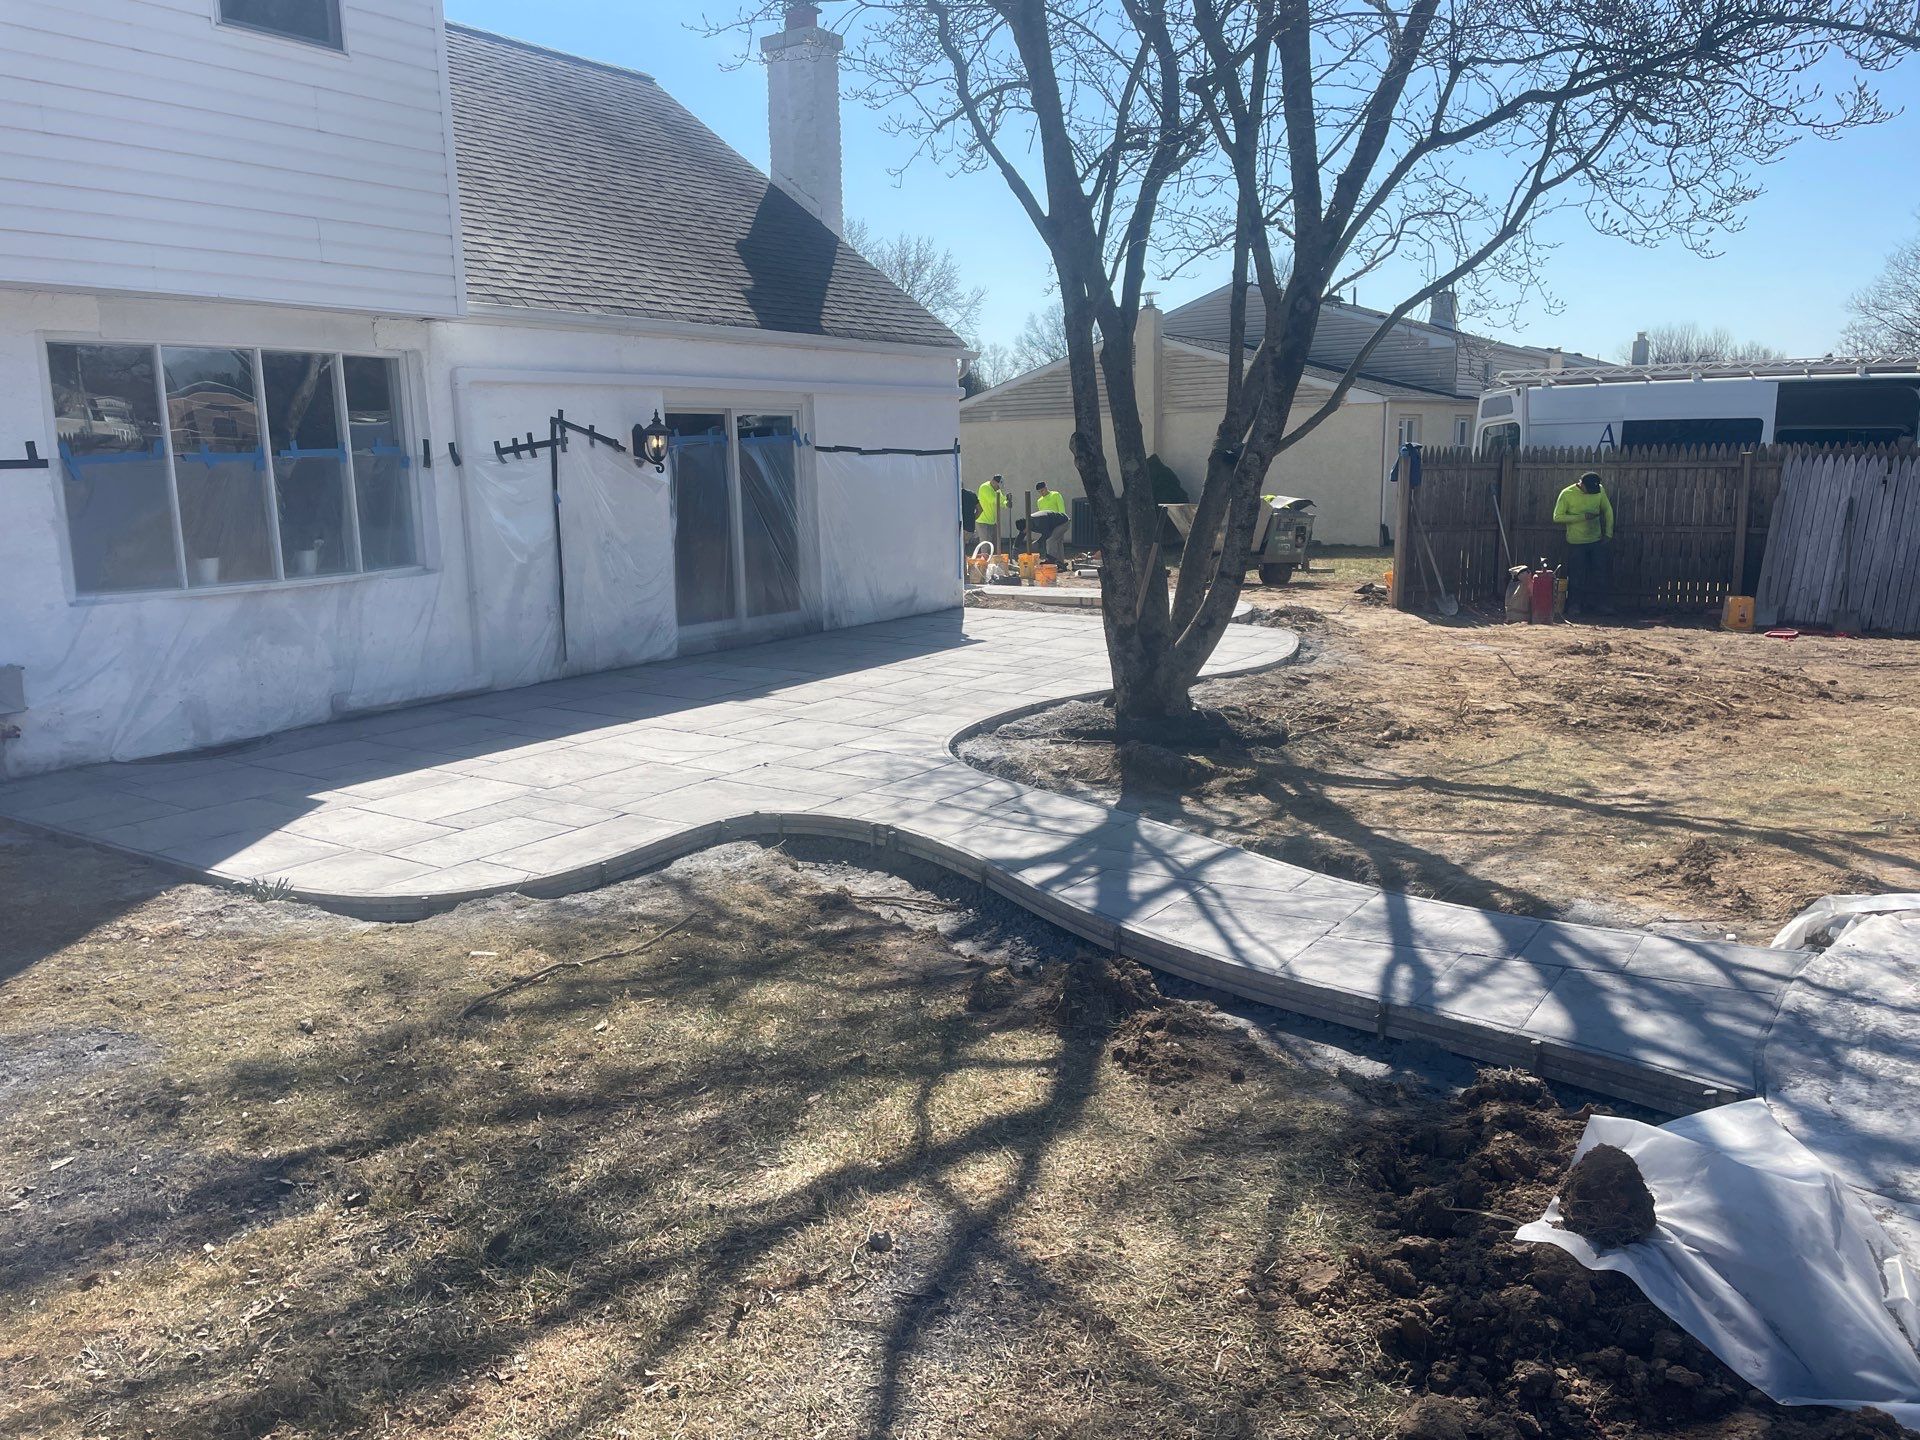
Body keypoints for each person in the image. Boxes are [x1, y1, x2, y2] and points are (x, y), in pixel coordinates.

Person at [1552, 470, 1615, 616]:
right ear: (1582, 485)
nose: (1593, 493)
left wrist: (1608, 533)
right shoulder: (1567, 494)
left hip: (1596, 540)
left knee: (1601, 573)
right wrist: (1582, 517)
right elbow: (1557, 517)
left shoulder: (1599, 490)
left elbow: (1608, 511)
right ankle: (1574, 605)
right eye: (1590, 490)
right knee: (1576, 575)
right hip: (1576, 542)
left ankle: (1602, 605)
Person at [1029, 481, 1069, 562]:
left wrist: (1061, 521)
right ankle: (1060, 562)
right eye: (1039, 492)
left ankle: (1052, 561)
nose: (1041, 493)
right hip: (1050, 524)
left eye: (1042, 490)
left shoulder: (1055, 495)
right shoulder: (1039, 501)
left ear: (1046, 488)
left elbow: (1062, 510)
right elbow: (1042, 515)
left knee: (1051, 540)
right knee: (1058, 542)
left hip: (1060, 522)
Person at [975, 474, 1005, 552]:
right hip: (982, 521)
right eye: (998, 486)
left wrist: (1006, 503)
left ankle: (994, 560)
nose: (998, 488)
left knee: (995, 543)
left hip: (992, 521)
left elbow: (1001, 502)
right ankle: (984, 562)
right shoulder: (984, 487)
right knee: (985, 543)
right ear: (994, 482)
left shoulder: (997, 490)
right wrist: (1003, 499)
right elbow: (992, 500)